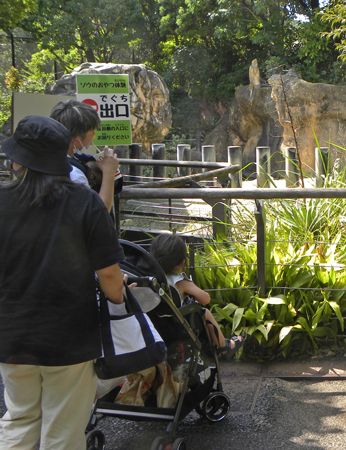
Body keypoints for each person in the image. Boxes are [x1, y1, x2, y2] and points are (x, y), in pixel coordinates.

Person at [0, 115, 126, 450]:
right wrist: (118, 297)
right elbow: (110, 275)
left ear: (18, 161)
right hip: (68, 334)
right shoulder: (84, 202)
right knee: (63, 428)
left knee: (20, 418)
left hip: (10, 333)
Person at [149, 233, 244, 359]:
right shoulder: (180, 282)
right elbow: (205, 299)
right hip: (178, 326)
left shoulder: (148, 279)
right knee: (204, 312)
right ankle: (224, 345)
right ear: (181, 263)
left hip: (153, 323)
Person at [50, 99, 120, 211]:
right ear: (76, 141)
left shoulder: (47, 160)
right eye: (92, 132)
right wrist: (109, 172)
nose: (94, 136)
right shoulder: (73, 174)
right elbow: (98, 212)